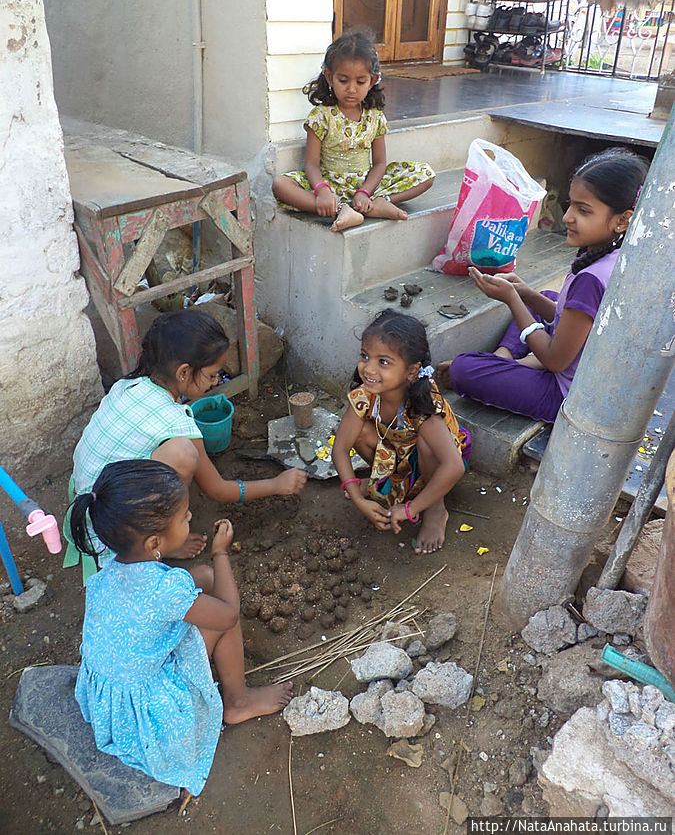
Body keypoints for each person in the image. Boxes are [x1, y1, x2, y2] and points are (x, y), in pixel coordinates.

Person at [70, 460, 293, 797]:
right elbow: (229, 615)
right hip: (152, 713)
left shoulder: (107, 573)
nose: (190, 518)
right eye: (184, 516)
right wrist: (221, 553)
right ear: (153, 542)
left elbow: (168, 595)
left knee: (200, 578)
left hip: (110, 700)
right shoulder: (165, 590)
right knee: (217, 602)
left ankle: (232, 693)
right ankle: (238, 700)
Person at [64, 310, 306, 580]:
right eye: (213, 375)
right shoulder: (176, 421)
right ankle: (163, 540)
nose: (216, 382)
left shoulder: (126, 386)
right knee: (183, 454)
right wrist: (276, 484)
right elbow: (217, 489)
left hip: (85, 498)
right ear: (183, 373)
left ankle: (157, 529)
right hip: (110, 528)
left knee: (178, 451)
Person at [437, 148, 649, 423]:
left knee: (464, 369)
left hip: (566, 395)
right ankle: (508, 360)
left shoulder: (592, 279)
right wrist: (524, 292)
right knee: (546, 296)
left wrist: (513, 299)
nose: (567, 217)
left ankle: (507, 364)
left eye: (583, 210)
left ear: (623, 220)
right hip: (581, 364)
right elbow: (574, 322)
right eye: (570, 204)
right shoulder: (614, 253)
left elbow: (555, 361)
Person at [332, 310, 469, 554]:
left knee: (427, 444)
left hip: (434, 464)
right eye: (365, 356)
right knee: (361, 432)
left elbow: (454, 466)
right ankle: (385, 483)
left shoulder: (423, 408)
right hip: (399, 456)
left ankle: (436, 508)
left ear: (412, 371)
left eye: (383, 362)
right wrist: (357, 498)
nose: (369, 369)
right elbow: (341, 448)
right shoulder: (366, 395)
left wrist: (410, 509)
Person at [272, 29, 435, 233]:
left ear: (372, 80)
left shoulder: (374, 117)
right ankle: (341, 209)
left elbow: (380, 163)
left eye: (360, 82)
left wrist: (365, 191)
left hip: (366, 186)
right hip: (328, 185)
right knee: (281, 184)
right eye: (343, 80)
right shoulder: (321, 116)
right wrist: (322, 190)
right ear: (330, 77)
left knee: (425, 174)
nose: (351, 89)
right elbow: (311, 164)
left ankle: (376, 203)